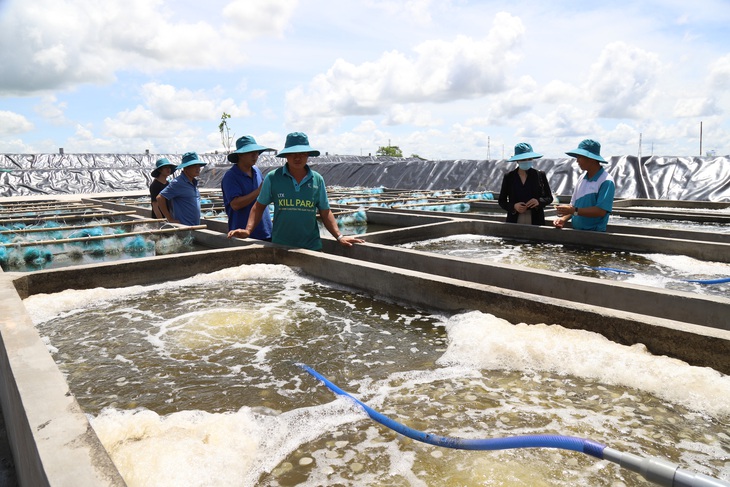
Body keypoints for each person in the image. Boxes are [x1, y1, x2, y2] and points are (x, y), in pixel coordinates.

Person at [227, 132, 363, 250]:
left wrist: (339, 236)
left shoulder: (317, 179)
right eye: (292, 154)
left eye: (302, 153)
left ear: (308, 155)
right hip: (281, 246)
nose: (297, 158)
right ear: (286, 155)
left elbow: (325, 211)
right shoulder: (273, 178)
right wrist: (248, 230)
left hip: (311, 246)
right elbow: (259, 206)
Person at [554, 139, 615, 231]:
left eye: (580, 157)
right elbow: (574, 206)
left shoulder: (606, 181)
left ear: (591, 159)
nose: (577, 161)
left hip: (595, 234)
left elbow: (601, 211)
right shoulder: (582, 178)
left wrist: (574, 211)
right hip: (577, 232)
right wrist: (563, 219)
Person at [221, 135, 273, 240]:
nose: (255, 155)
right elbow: (235, 204)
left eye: (256, 152)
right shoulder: (231, 176)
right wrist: (258, 191)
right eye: (250, 152)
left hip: (265, 231)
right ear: (240, 155)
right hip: (243, 234)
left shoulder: (257, 171)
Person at [498, 142, 554, 225]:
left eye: (529, 159)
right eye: (523, 159)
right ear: (517, 160)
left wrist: (538, 201)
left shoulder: (540, 175)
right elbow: (502, 201)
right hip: (514, 219)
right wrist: (514, 206)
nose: (527, 161)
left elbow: (549, 197)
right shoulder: (509, 177)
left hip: (536, 219)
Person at [157, 152, 207, 226]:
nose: (198, 169)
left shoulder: (193, 182)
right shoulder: (178, 183)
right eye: (194, 166)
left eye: (199, 166)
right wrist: (170, 219)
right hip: (184, 228)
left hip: (194, 227)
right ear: (186, 168)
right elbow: (160, 198)